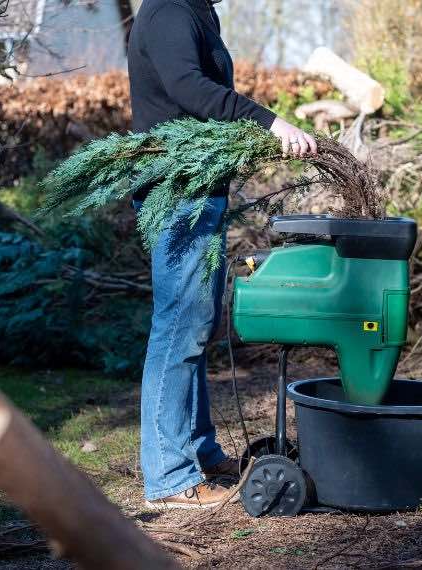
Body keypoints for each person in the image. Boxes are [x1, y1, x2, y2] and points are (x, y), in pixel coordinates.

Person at [127, 0, 315, 509]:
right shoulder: (169, 10)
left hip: (198, 191)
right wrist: (269, 123)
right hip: (177, 193)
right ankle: (169, 476)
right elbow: (188, 87)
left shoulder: (196, 10)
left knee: (195, 327)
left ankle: (200, 453)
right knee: (177, 328)